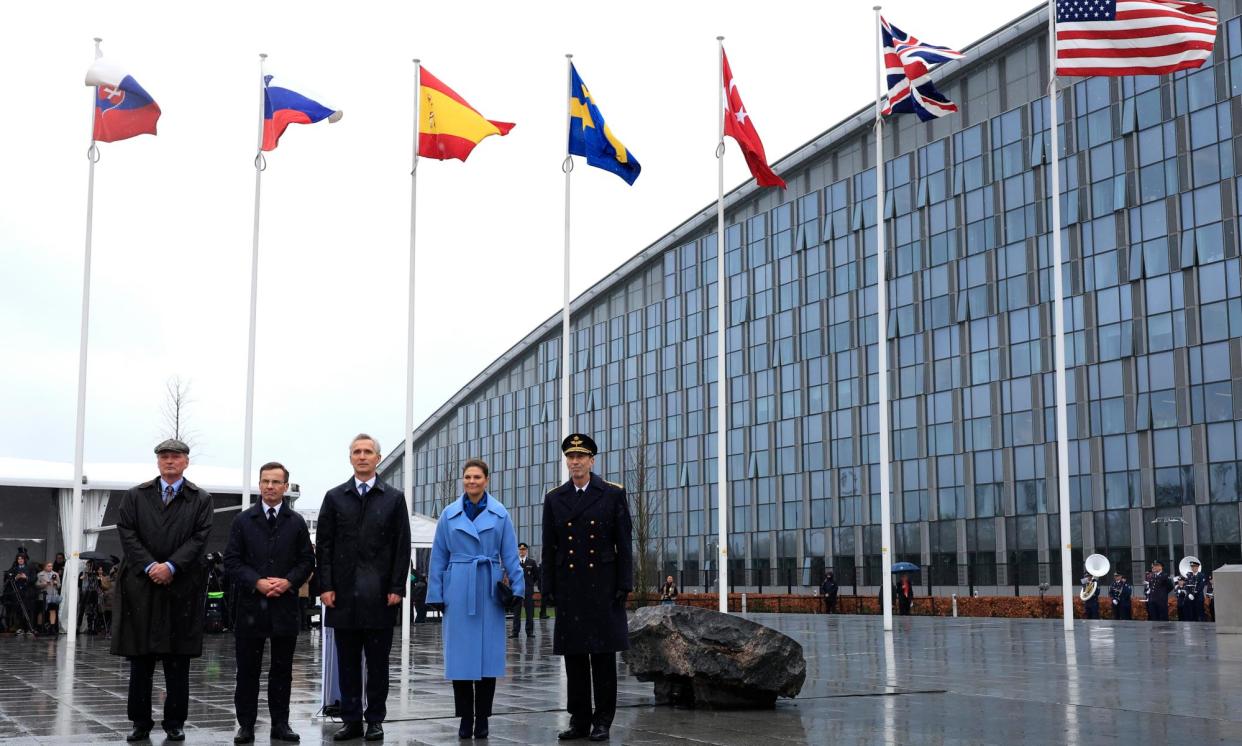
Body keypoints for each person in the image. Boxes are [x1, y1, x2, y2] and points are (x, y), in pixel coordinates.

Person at [111, 438, 214, 743]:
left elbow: (200, 537)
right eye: (165, 457)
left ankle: (175, 720)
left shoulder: (200, 499)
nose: (170, 461)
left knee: (177, 661)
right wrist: (150, 565)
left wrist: (171, 566)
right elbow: (126, 533)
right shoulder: (135, 496)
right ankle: (140, 721)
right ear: (157, 462)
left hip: (180, 587)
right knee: (140, 661)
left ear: (186, 462)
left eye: (176, 457)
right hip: (141, 587)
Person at [317, 434, 411, 742]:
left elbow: (402, 546)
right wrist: (325, 585)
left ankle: (375, 720)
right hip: (341, 597)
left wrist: (397, 586)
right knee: (346, 664)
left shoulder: (393, 498)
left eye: (367, 451)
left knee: (378, 664)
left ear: (378, 458)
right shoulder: (334, 497)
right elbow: (325, 546)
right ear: (350, 458)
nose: (362, 456)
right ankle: (352, 719)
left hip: (380, 596)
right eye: (356, 451)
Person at [542, 433, 633, 742]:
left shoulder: (611, 494)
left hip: (603, 586)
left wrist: (624, 583)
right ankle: (579, 719)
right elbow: (549, 546)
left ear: (592, 461)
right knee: (575, 658)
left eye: (581, 457)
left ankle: (603, 719)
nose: (576, 462)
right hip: (570, 586)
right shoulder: (555, 497)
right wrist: (548, 586)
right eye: (571, 457)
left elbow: (624, 541)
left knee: (603, 658)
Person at [427, 459, 524, 739]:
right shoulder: (449, 514)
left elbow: (509, 554)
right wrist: (436, 593)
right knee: (459, 658)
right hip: (458, 587)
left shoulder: (500, 514)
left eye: (477, 477)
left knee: (487, 658)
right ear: (463, 480)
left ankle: (483, 717)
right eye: (468, 477)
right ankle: (464, 718)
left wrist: (517, 589)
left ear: (487, 480)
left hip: (488, 588)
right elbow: (439, 556)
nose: (472, 482)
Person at [223, 461, 315, 745]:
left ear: (286, 486)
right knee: (248, 670)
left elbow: (306, 561)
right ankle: (247, 724)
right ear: (259, 484)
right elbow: (232, 561)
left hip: (284, 607)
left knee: (282, 670)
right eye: (265, 481)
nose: (270, 487)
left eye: (276, 482)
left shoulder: (296, 522)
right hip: (250, 606)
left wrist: (288, 581)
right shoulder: (243, 520)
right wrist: (257, 581)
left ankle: (280, 723)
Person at [511, 543, 540, 637]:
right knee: (516, 612)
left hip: (528, 590)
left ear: (526, 550)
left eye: (523, 549)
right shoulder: (514, 562)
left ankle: (529, 632)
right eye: (520, 549)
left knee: (529, 612)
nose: (522, 551)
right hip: (517, 591)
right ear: (518, 551)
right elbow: (511, 574)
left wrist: (530, 584)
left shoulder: (531, 562)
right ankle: (515, 632)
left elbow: (536, 576)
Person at [36, 561, 61, 634]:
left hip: (53, 595)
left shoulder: (55, 574)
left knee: (52, 610)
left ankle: (52, 627)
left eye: (51, 566)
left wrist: (56, 584)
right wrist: (43, 584)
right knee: (41, 611)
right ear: (44, 567)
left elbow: (59, 585)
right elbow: (36, 585)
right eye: (48, 566)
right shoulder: (40, 574)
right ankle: (39, 627)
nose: (50, 567)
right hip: (43, 595)